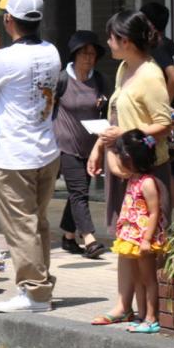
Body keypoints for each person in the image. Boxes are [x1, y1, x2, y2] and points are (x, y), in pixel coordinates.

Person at [0, 0, 62, 314]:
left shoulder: (5, 59)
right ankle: (41, 284)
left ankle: (34, 293)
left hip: (15, 156)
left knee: (21, 227)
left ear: (9, 20)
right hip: (48, 151)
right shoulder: (52, 52)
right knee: (38, 223)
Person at [88, 10, 173, 326]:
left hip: (147, 172)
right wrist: (99, 147)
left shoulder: (151, 75)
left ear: (125, 41)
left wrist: (121, 136)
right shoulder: (125, 68)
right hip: (121, 165)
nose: (108, 43)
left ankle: (150, 311)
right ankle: (124, 305)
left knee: (148, 242)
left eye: (111, 37)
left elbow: (164, 123)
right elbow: (115, 116)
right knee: (124, 238)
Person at [54, 30, 109, 259]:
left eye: (93, 54)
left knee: (79, 191)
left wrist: (102, 103)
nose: (89, 58)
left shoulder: (99, 80)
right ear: (75, 55)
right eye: (85, 53)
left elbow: (106, 109)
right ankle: (89, 239)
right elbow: (47, 107)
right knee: (79, 192)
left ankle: (68, 237)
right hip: (66, 143)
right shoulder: (62, 79)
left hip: (91, 145)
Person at [107, 130, 167, 334]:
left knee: (148, 279)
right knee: (138, 280)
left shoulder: (147, 182)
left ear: (130, 159)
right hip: (131, 237)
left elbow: (154, 212)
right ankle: (141, 315)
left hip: (143, 239)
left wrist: (147, 239)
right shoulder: (133, 178)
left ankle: (151, 318)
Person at [139, 2, 174, 221]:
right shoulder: (169, 44)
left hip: (167, 118)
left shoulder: (158, 46)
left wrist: (163, 108)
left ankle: (173, 213)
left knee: (160, 164)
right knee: (165, 166)